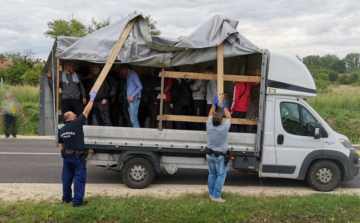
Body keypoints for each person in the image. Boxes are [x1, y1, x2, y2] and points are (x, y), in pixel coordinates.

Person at [58, 90, 97, 207]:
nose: (76, 115)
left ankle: (66, 199)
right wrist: (91, 100)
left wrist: (63, 153)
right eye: (74, 115)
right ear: (71, 118)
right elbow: (86, 111)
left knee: (66, 178)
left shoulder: (62, 129)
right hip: (78, 158)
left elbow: (60, 144)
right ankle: (78, 202)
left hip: (67, 158)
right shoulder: (76, 124)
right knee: (79, 179)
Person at [206, 96, 231, 203]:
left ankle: (211, 194)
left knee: (212, 173)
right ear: (221, 121)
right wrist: (224, 106)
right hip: (220, 156)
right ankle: (216, 197)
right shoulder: (224, 128)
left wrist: (214, 104)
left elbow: (210, 114)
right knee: (221, 175)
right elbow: (229, 117)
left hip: (209, 154)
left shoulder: (209, 125)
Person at [190, 66, 206, 130]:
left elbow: (194, 87)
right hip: (196, 99)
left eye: (195, 70)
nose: (194, 72)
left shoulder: (201, 78)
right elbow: (192, 87)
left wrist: (193, 86)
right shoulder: (197, 79)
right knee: (197, 114)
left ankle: (199, 130)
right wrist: (193, 86)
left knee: (198, 116)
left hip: (199, 99)